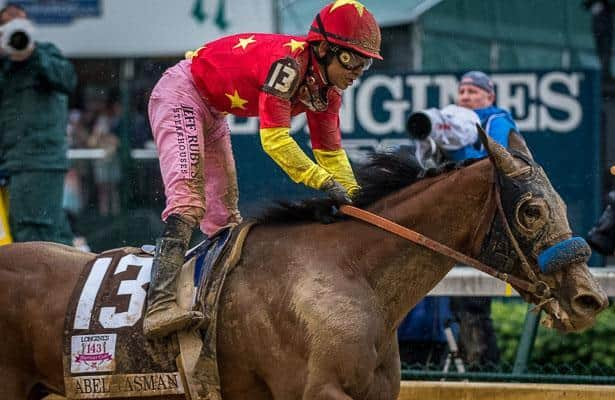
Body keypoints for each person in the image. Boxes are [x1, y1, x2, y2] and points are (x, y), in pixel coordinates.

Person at [144, 0, 382, 338]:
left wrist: (357, 199)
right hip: (182, 94)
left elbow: (331, 154)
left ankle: (216, 301)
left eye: (365, 65)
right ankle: (159, 305)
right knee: (188, 202)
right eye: (352, 61)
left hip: (214, 110)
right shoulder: (288, 64)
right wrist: (323, 182)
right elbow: (274, 141)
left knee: (223, 218)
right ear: (325, 48)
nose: (358, 72)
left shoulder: (327, 91)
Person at [401, 71, 517, 368]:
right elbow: (425, 167)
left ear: (489, 97)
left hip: (482, 222)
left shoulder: (497, 120)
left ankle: (485, 375)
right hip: (450, 223)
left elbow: (499, 161)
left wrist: (463, 155)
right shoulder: (447, 122)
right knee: (437, 300)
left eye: (473, 92)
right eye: (462, 91)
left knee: (473, 307)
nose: (465, 96)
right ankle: (434, 366)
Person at [0, 3, 76, 245]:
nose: (14, 31)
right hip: (15, 163)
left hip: (37, 161)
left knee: (34, 234)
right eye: (6, 25)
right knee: (51, 232)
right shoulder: (4, 66)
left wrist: (32, 54)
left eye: (19, 24)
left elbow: (67, 79)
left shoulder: (45, 54)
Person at [583, 0, 615, 82]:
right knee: (601, 52)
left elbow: (611, 7)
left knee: (605, 51)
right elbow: (586, 5)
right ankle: (604, 74)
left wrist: (604, 4)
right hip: (598, 29)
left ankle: (605, 74)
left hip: (606, 29)